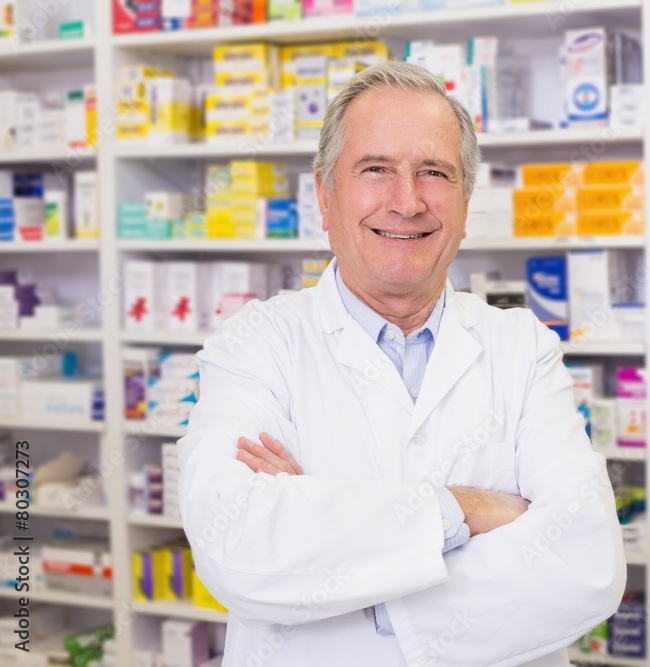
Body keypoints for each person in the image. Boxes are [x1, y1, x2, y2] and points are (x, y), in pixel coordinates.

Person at [177, 61, 626, 666]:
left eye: (434, 173)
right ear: (324, 196)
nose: (407, 201)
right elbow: (235, 544)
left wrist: (351, 570)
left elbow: (586, 564)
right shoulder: (257, 345)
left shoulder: (523, 348)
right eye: (376, 169)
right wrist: (466, 510)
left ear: (465, 203)